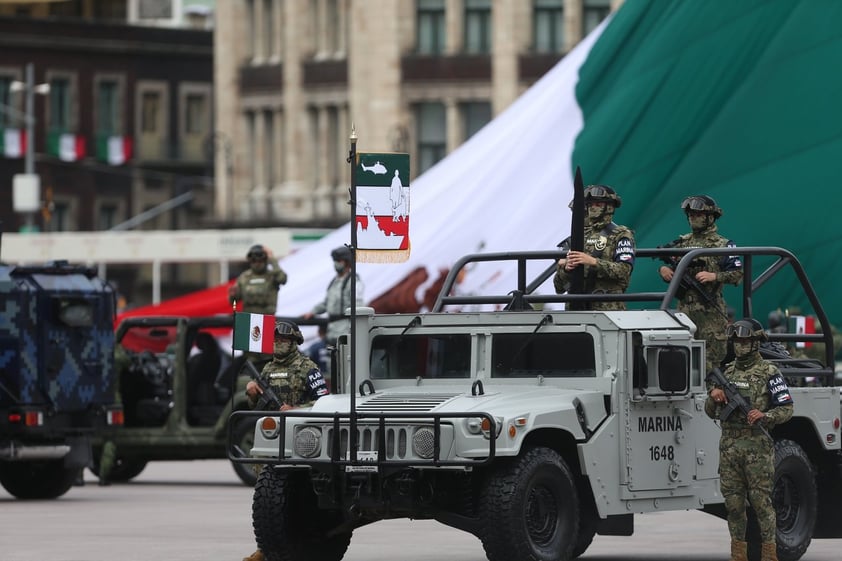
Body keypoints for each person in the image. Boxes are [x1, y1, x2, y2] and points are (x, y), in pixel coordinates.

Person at [705, 318, 793, 561]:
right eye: (737, 341)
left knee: (761, 504)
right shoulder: (727, 372)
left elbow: (787, 408)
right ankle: (738, 555)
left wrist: (765, 415)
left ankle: (769, 554)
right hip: (730, 448)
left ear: (755, 343)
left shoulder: (770, 372)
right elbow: (710, 412)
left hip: (757, 448)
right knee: (733, 506)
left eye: (745, 341)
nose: (740, 346)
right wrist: (714, 396)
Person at [242, 319, 329, 561]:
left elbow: (323, 401)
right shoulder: (267, 370)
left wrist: (296, 408)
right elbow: (257, 406)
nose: (279, 344)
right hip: (272, 443)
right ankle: (265, 547)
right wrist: (251, 393)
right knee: (267, 501)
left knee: (298, 497)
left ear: (294, 342)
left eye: (284, 340)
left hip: (302, 443)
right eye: (275, 340)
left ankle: (301, 543)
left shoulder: (307, 368)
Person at [658, 195, 743, 374]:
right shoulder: (682, 242)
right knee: (682, 361)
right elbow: (665, 259)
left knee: (710, 363)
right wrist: (664, 270)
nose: (693, 218)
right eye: (690, 215)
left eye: (697, 215)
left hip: (710, 311)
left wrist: (714, 275)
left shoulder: (723, 244)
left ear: (710, 217)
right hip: (683, 310)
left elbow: (737, 274)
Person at [554, 184, 635, 310]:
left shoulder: (620, 234)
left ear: (609, 207)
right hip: (575, 308)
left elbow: (624, 271)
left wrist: (593, 262)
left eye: (598, 204)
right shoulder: (576, 238)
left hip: (608, 309)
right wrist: (566, 269)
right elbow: (558, 288)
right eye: (590, 205)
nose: (593, 208)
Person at [302, 246, 365, 345]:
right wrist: (313, 312)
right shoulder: (334, 281)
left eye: (339, 260)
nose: (336, 263)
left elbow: (358, 307)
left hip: (345, 332)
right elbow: (326, 303)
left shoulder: (354, 282)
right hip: (332, 331)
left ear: (347, 262)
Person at [228, 244, 288, 315]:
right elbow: (233, 302)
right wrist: (233, 296)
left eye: (260, 261)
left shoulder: (272, 275)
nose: (257, 264)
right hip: (248, 318)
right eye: (254, 261)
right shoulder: (244, 277)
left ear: (266, 260)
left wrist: (272, 260)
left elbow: (283, 279)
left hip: (267, 318)